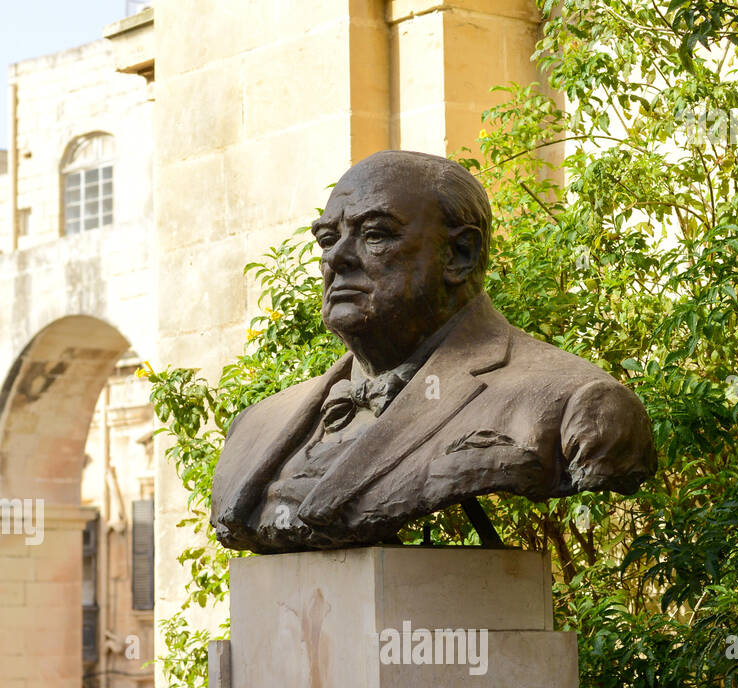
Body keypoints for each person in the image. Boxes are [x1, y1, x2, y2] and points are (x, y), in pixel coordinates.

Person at [210, 149, 656, 554]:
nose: (336, 258)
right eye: (328, 239)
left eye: (374, 234)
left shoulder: (576, 404)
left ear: (460, 254)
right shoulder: (255, 427)